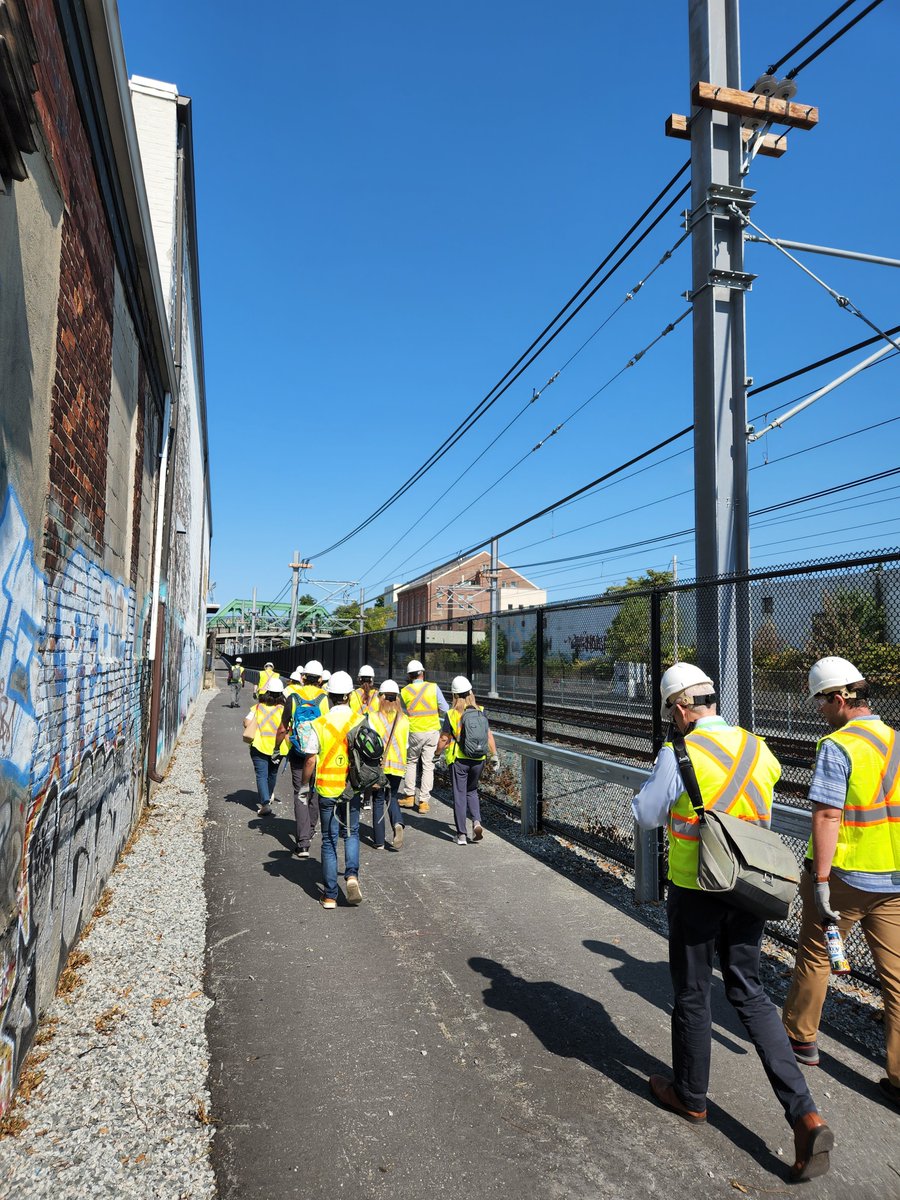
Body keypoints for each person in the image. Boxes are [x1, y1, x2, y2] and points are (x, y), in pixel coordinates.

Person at [632, 662, 833, 1182]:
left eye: (670, 714)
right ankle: (804, 1112)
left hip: (697, 890)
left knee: (694, 992)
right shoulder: (756, 747)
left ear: (679, 708)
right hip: (749, 887)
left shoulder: (679, 752)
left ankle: (691, 1096)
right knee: (749, 991)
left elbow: (648, 815)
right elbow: (759, 814)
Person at [782, 656, 899, 1111]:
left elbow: (829, 814)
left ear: (839, 698)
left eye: (820, 703)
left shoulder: (838, 745)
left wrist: (822, 879)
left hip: (846, 878)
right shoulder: (896, 741)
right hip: (893, 881)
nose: (819, 712)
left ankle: (800, 1039)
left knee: (816, 955)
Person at [301, 671, 364, 908]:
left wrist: (305, 786)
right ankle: (351, 876)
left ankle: (329, 896)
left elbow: (310, 760)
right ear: (348, 695)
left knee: (328, 840)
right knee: (352, 833)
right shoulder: (360, 720)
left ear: (329, 695)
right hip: (351, 787)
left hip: (327, 789)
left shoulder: (318, 724)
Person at [436, 676, 499, 845]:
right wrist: (494, 755)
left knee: (459, 794)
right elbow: (488, 735)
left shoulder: (451, 714)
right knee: (472, 791)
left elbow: (444, 739)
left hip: (459, 760)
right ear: (471, 692)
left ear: (454, 695)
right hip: (478, 759)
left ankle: (461, 834)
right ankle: (477, 822)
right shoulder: (481, 710)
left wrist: (436, 753)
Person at [276, 662, 330, 858]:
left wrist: (276, 748)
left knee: (300, 792)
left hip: (298, 752)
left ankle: (303, 842)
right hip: (319, 753)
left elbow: (283, 728)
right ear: (321, 679)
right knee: (315, 791)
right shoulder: (325, 699)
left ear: (303, 677)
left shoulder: (293, 698)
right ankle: (311, 828)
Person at [399, 659, 449, 814]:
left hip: (414, 732)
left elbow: (402, 712)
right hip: (432, 731)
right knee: (428, 766)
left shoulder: (405, 691)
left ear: (409, 675)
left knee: (411, 762)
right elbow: (446, 709)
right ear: (422, 673)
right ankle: (423, 802)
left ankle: (409, 796)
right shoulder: (433, 688)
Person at [369, 680, 410, 850]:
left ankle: (379, 841)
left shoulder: (373, 718)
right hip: (398, 767)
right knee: (391, 796)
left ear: (382, 697)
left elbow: (369, 744)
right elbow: (406, 745)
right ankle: (398, 823)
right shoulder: (404, 719)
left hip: (380, 766)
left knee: (378, 800)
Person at [244, 675, 289, 816]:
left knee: (261, 774)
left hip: (259, 744)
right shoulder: (284, 710)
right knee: (272, 773)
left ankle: (265, 803)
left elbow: (246, 722)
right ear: (281, 694)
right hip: (279, 747)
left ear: (267, 692)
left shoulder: (258, 707)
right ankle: (268, 796)